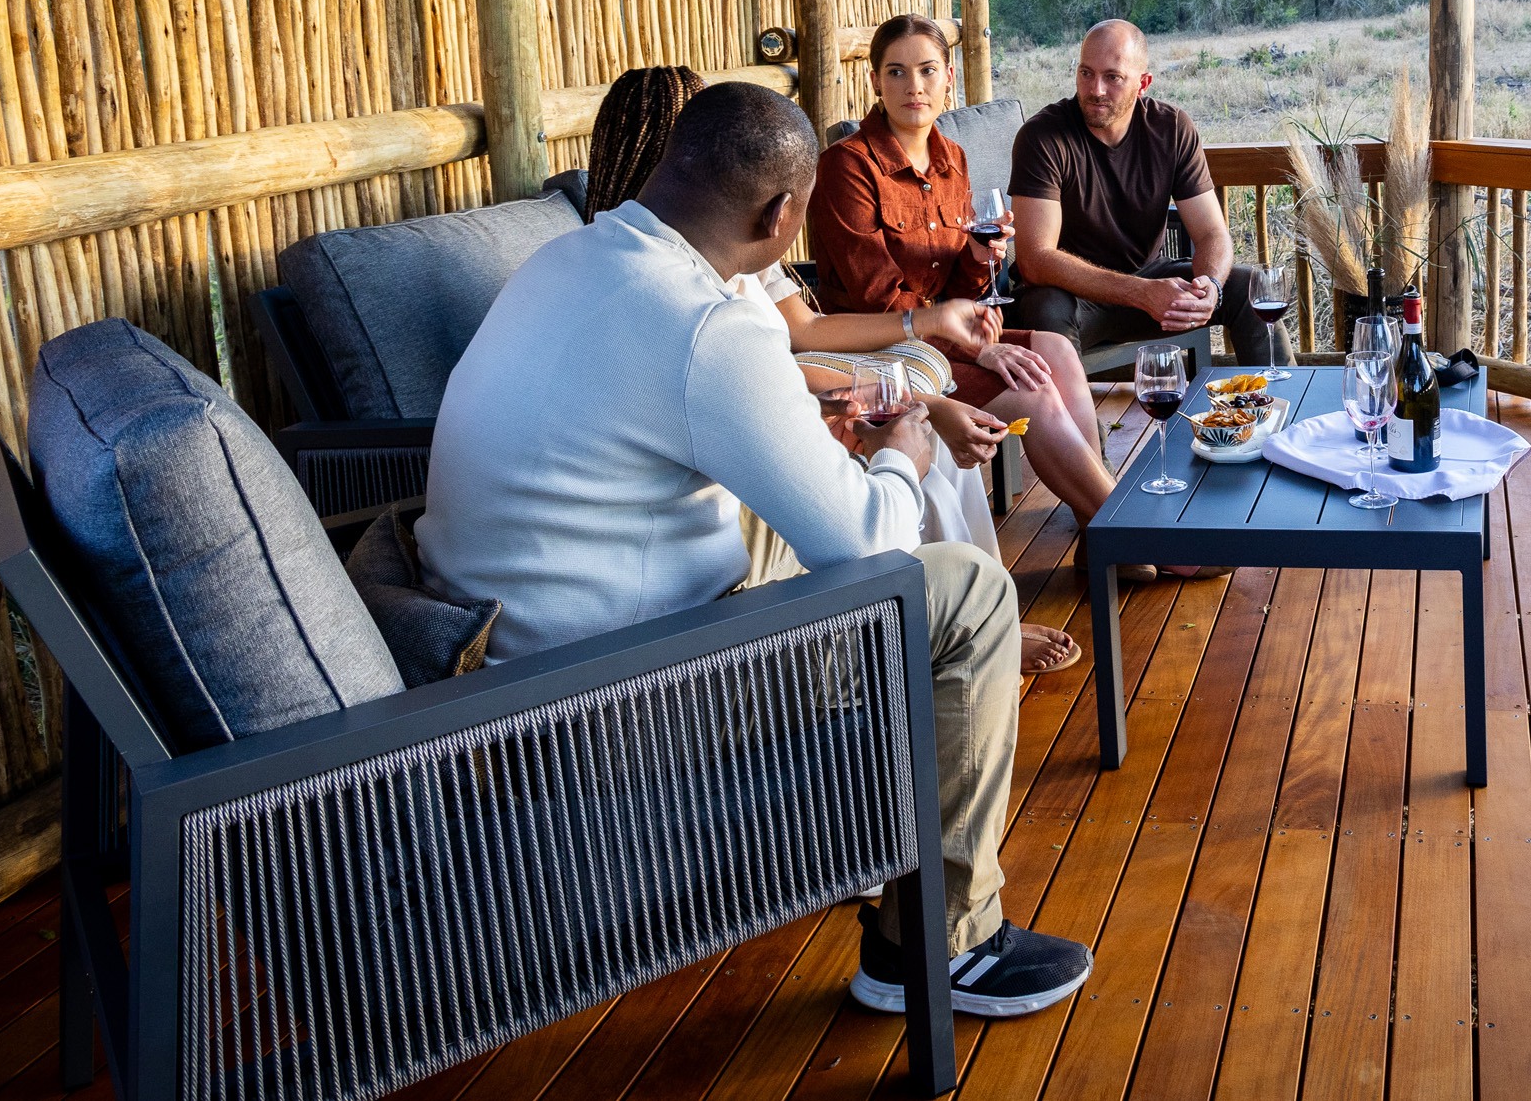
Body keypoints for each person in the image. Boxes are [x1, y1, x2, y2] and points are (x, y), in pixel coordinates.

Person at [418, 81, 1094, 1019]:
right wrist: (900, 449)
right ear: (781, 215)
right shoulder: (708, 327)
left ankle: (922, 731)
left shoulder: (565, 262)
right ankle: (942, 947)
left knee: (811, 497)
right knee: (969, 592)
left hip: (511, 659)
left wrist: (808, 425)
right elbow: (872, 552)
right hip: (612, 702)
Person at [583, 67, 1067, 666]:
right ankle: (963, 626)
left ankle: (984, 616)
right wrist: (911, 417)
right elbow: (753, 378)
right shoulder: (678, 295)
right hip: (686, 538)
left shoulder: (615, 255)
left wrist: (918, 350)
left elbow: (795, 341)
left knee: (933, 445)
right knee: (922, 466)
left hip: (749, 421)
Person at [809, 16, 1114, 645]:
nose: (912, 86)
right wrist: (981, 342)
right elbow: (880, 300)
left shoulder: (953, 159)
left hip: (945, 340)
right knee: (1033, 388)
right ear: (875, 81)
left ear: (948, 79)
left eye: (926, 71)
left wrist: (983, 259)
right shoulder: (847, 168)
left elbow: (963, 289)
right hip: (886, 356)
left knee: (1054, 346)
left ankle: (1096, 530)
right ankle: (1123, 527)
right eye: (896, 71)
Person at [1008, 18, 1267, 364]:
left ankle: (1285, 409)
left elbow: (1211, 234)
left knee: (1250, 288)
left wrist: (1209, 287)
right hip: (1073, 298)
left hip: (1151, 285)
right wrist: (1140, 292)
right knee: (1045, 308)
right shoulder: (1042, 136)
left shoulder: (1171, 128)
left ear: (1143, 83)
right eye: (1086, 73)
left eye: (1112, 77)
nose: (1095, 89)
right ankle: (1075, 420)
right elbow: (1035, 260)